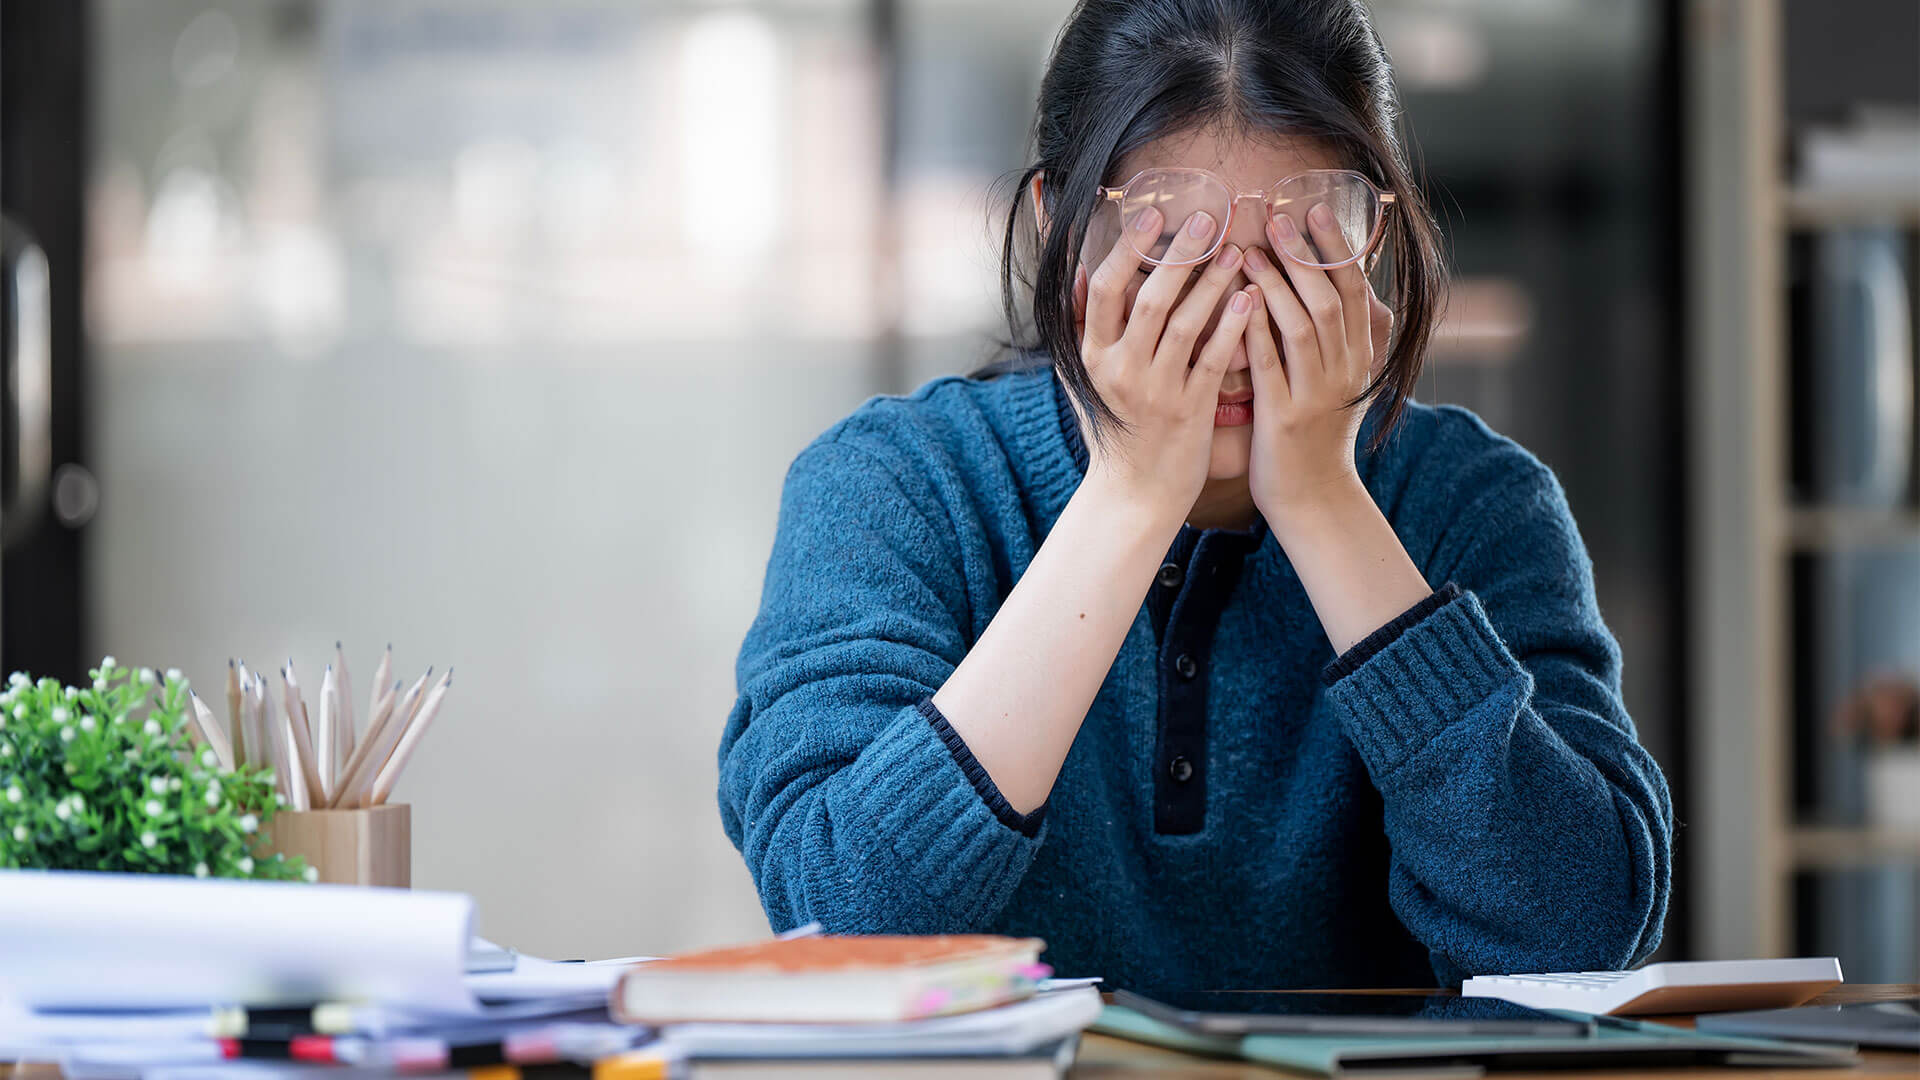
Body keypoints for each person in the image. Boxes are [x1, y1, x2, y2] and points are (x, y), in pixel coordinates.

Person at [718, 0, 1672, 990]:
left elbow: (1577, 935)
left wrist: (1322, 500)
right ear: (1060, 226)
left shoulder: (1476, 503)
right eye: (1172, 250)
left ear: (1375, 236)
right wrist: (1130, 496)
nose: (1237, 320)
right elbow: (838, 919)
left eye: (1306, 248)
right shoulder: (896, 487)